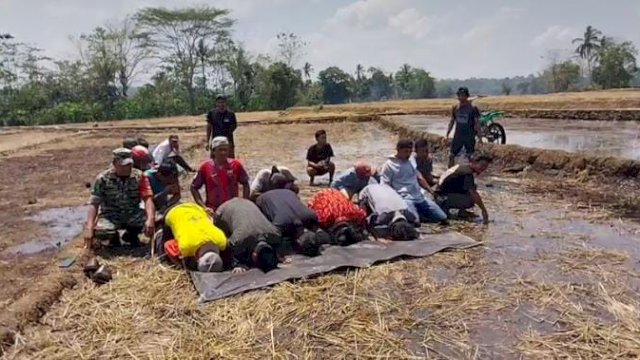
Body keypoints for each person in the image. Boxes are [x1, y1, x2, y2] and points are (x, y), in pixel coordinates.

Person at [84, 148, 155, 252]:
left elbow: (148, 198)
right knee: (102, 232)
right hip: (110, 215)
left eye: (129, 164)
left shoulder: (139, 176)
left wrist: (151, 219)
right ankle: (113, 238)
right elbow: (94, 203)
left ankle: (131, 236)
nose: (127, 168)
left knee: (154, 222)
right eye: (123, 165)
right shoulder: (102, 178)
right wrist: (89, 227)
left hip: (132, 213)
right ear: (114, 164)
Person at [381, 139, 448, 224]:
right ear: (398, 150)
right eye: (405, 151)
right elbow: (385, 186)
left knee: (442, 217)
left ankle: (419, 212)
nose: (408, 154)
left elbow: (419, 177)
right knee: (415, 222)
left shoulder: (411, 161)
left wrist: (431, 191)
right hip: (404, 198)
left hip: (419, 196)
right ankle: (413, 213)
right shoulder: (389, 165)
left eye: (409, 152)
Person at [215, 198, 280, 273]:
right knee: (222, 242)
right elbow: (231, 245)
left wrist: (278, 255)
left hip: (247, 202)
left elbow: (277, 246)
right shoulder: (239, 239)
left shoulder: (274, 234)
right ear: (254, 255)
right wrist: (237, 264)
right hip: (223, 209)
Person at [162, 203, 228, 272]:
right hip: (172, 211)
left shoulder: (222, 241)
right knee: (162, 250)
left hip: (196, 208)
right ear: (197, 260)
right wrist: (180, 267)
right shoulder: (186, 248)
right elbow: (167, 245)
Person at [191, 136, 250, 213]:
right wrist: (204, 207)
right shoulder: (205, 167)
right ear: (213, 151)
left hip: (233, 210)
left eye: (225, 150)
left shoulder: (236, 165)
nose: (223, 153)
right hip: (213, 210)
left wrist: (244, 202)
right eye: (220, 150)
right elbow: (194, 187)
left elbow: (245, 183)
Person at [256, 189, 321, 256]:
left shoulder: (311, 215)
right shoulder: (280, 223)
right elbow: (271, 237)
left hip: (288, 192)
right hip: (263, 198)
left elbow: (315, 229)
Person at [435, 154, 492, 224]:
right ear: (474, 162)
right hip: (441, 198)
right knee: (471, 200)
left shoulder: (463, 166)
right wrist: (484, 210)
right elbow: (474, 194)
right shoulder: (467, 173)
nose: (483, 168)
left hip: (439, 195)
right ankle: (448, 209)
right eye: (482, 165)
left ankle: (460, 211)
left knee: (473, 186)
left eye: (485, 167)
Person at [446, 87, 483, 168]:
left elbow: (477, 123)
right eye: (460, 95)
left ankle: (470, 177)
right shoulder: (455, 108)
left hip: (469, 136)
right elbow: (452, 121)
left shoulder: (473, 108)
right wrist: (448, 133)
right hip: (458, 136)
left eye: (463, 95)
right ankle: (448, 175)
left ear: (467, 96)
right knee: (451, 155)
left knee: (471, 156)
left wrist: (480, 137)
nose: (461, 97)